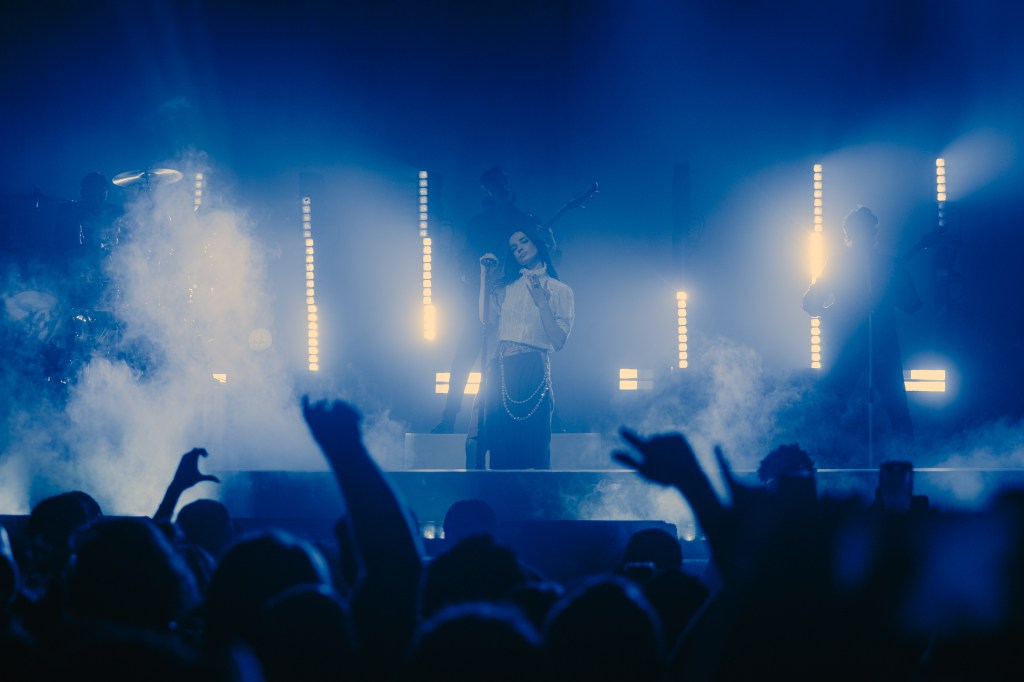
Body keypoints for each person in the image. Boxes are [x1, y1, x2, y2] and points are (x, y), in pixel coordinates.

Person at [432, 167, 555, 437]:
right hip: (484, 295)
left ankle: (533, 419)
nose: (501, 188)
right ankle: (449, 418)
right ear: (487, 190)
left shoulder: (524, 221)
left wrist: (546, 242)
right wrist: (471, 274)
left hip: (517, 298)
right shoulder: (477, 224)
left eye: (504, 182)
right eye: (495, 185)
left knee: (526, 356)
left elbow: (543, 255)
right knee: (465, 356)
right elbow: (464, 257)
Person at [802, 206, 921, 460]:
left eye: (866, 231)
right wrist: (838, 311)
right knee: (833, 405)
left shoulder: (887, 266)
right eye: (861, 231)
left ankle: (907, 469)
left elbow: (911, 305)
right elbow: (811, 303)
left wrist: (896, 281)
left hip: (877, 348)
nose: (864, 236)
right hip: (856, 348)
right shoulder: (842, 265)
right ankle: (820, 463)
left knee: (894, 409)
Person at [476, 226, 573, 469]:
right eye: (514, 247)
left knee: (534, 443)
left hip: (533, 365)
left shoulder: (561, 290)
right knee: (500, 440)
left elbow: (559, 341)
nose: (519, 248)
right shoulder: (506, 287)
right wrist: (484, 276)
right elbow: (485, 318)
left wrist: (542, 305)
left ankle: (536, 501)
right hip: (502, 365)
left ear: (537, 243)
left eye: (524, 242)